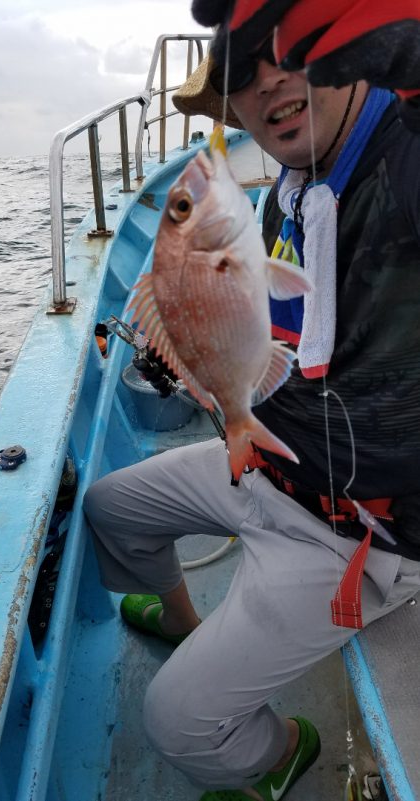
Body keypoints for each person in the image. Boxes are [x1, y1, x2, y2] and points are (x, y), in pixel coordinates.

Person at [84, 5, 420, 799]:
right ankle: (181, 618)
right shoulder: (284, 198)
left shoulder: (402, 158)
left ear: (349, 47)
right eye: (238, 72)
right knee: (109, 507)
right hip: (267, 461)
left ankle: (285, 752)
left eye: (288, 50)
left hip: (356, 533)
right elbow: (268, 344)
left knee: (175, 721)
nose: (267, 78)